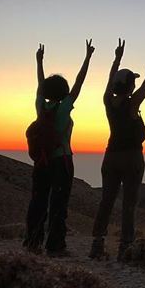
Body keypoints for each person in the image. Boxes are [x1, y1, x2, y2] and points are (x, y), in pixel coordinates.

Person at [90, 33, 145, 261]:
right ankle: (125, 248)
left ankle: (97, 244)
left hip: (110, 156)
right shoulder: (133, 104)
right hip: (131, 158)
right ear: (130, 86)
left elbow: (110, 80)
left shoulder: (107, 101)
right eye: (133, 82)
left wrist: (116, 60)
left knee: (107, 201)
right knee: (129, 204)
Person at [24, 39, 94, 257]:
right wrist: (87, 58)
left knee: (38, 201)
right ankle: (55, 246)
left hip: (41, 162)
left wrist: (39, 62)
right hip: (61, 161)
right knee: (58, 204)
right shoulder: (64, 109)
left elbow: (39, 86)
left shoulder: (40, 107)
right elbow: (79, 84)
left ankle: (32, 243)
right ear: (63, 92)